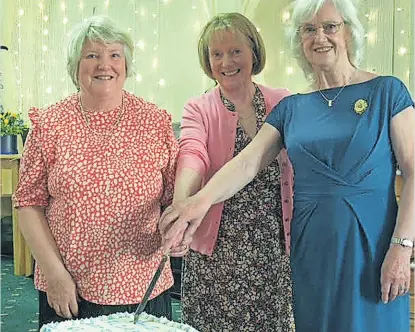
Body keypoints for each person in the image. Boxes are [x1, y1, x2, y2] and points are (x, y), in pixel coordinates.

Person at [159, 1, 415, 332]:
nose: (319, 36)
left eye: (330, 26)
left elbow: (412, 171)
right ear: (300, 40)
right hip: (310, 251)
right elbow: (247, 163)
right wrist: (198, 201)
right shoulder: (292, 107)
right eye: (309, 29)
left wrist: (402, 247)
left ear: (349, 31)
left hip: (372, 247)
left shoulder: (387, 91)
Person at [13, 16, 178, 329]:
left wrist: (178, 230)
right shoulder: (50, 124)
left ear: (126, 64)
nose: (105, 65)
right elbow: (28, 203)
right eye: (92, 55)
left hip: (144, 288)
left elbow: (173, 200)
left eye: (115, 55)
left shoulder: (155, 122)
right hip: (70, 288)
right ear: (75, 66)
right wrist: (54, 273)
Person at [164, 12, 295, 332]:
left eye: (236, 51)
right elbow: (192, 155)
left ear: (254, 52)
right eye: (217, 54)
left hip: (272, 251)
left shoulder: (284, 102)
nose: (226, 61)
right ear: (207, 61)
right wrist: (183, 206)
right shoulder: (199, 107)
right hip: (215, 255)